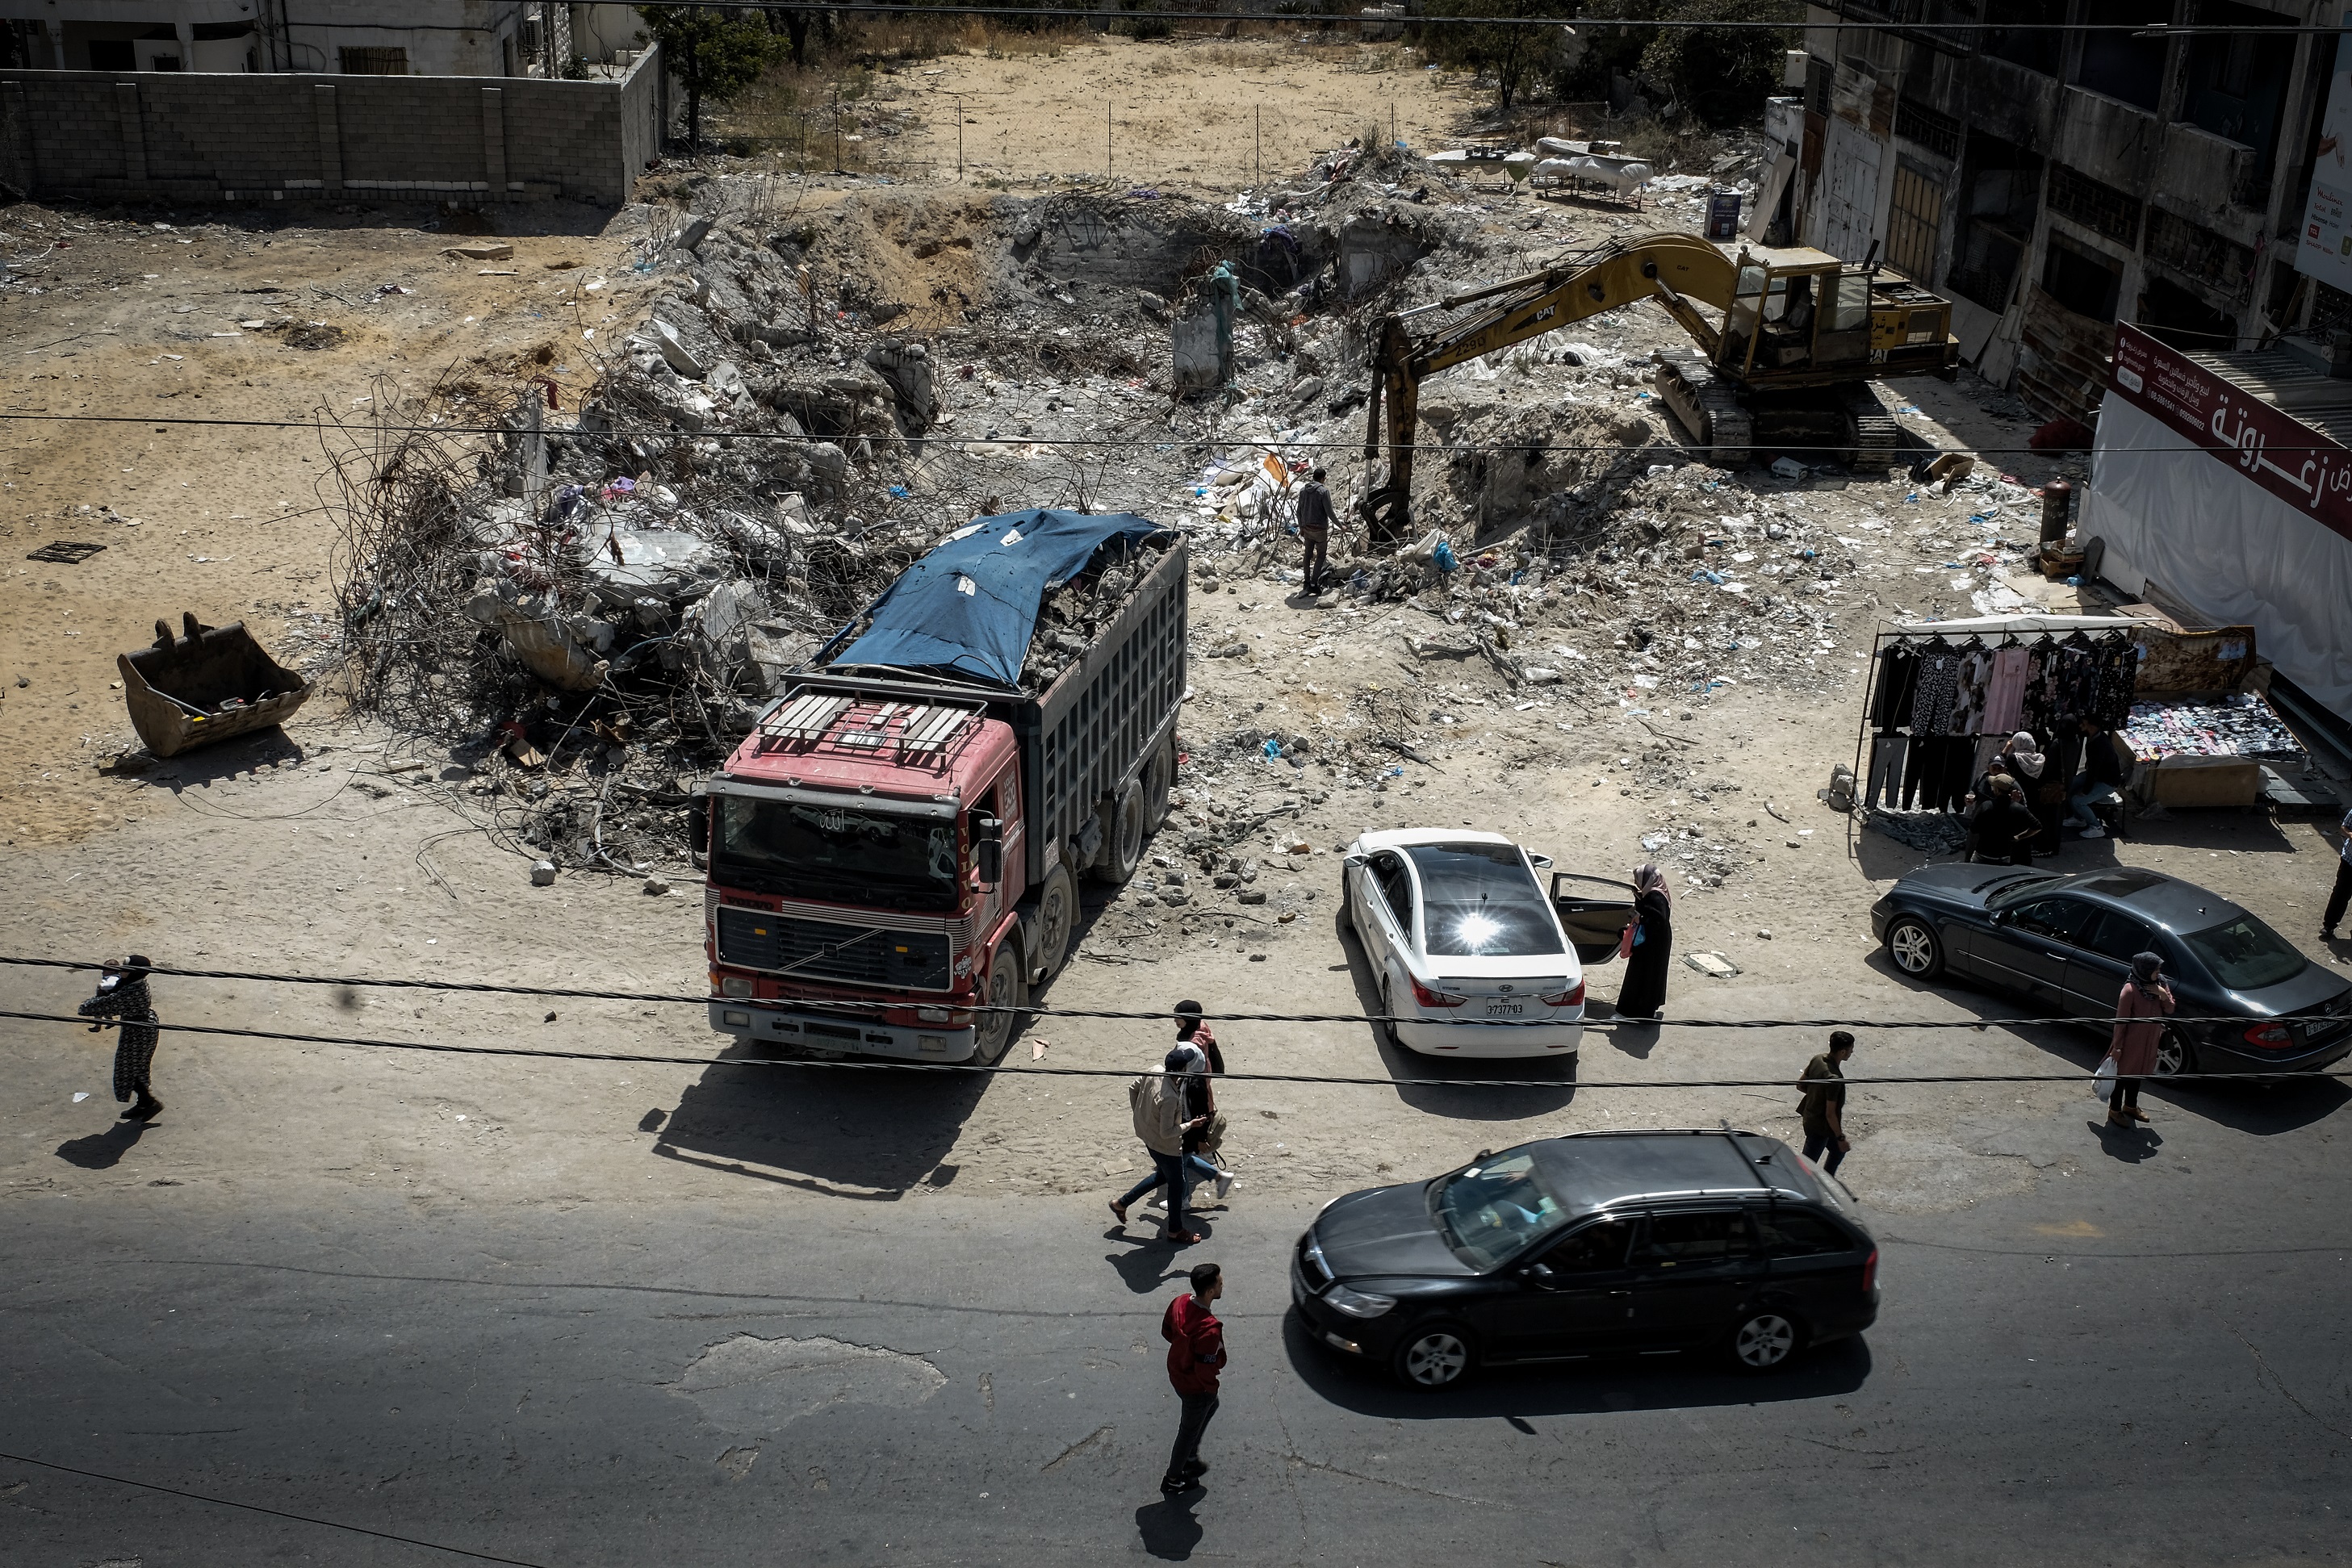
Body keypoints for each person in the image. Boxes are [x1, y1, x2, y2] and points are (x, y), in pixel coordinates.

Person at [1112, 1049, 1209, 1244]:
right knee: (1177, 1185)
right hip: (1165, 1147)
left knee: (1163, 1176)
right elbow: (1168, 1132)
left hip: (1148, 1137)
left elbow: (1133, 1089)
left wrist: (1140, 1114)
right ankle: (1175, 1230)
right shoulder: (1170, 1097)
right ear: (1182, 1070)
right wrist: (1190, 1125)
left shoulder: (1154, 1070)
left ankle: (1122, 1204)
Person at [1159, 1262, 1226, 1495]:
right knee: (1187, 1431)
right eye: (1219, 1283)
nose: (1222, 1285)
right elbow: (1206, 1369)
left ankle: (1190, 1453)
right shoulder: (1209, 1329)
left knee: (1210, 1407)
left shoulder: (1179, 1302)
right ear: (1210, 1291)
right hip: (1195, 1387)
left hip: (1176, 1372)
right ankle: (1174, 1478)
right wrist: (1211, 1388)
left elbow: (1166, 1331)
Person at [79, 955, 161, 1121]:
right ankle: (145, 1102)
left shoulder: (131, 993)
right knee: (136, 1067)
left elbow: (96, 1006)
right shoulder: (136, 982)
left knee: (128, 1068)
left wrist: (94, 998)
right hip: (141, 1028)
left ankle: (149, 1102)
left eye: (125, 967)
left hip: (138, 1033)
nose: (121, 970)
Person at [2105, 951, 2174, 1127]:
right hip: (2130, 1043)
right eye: (2156, 969)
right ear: (2145, 969)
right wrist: (2118, 1047)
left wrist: (2163, 995)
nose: (2158, 973)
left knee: (2138, 1074)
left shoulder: (2160, 984)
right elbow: (2121, 1022)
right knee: (2122, 1077)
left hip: (2150, 1041)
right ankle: (2115, 1110)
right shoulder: (2130, 990)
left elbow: (2171, 1009)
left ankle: (2130, 1106)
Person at [1614, 863, 1674, 1021]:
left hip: (1651, 944)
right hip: (1658, 942)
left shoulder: (1655, 896)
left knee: (1639, 976)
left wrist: (1639, 918)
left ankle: (1627, 1013)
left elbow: (1656, 920)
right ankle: (1647, 1011)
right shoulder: (1659, 891)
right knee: (1652, 977)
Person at [1797, 1031, 1855, 1175]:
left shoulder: (1818, 1059)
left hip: (1810, 1117)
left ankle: (1828, 1182)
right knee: (1807, 1166)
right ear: (1843, 1052)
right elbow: (1830, 1114)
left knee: (1838, 1151)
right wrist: (1840, 1137)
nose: (1852, 1052)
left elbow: (1800, 1085)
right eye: (1850, 1049)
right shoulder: (1834, 1079)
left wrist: (1816, 1096)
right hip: (1820, 1127)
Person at [2067, 717, 2129, 839]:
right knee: (2071, 784)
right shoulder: (2093, 738)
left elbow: (2094, 771)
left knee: (2078, 801)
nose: (2081, 726)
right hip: (2097, 776)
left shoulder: (2100, 743)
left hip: (2108, 782)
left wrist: (2085, 791)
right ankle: (2079, 818)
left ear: (2091, 726)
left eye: (2084, 724)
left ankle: (2096, 827)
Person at [1969, 776, 2040, 866]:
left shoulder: (1986, 806)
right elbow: (2037, 826)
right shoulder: (2018, 808)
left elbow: (1973, 829)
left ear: (1997, 790)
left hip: (1982, 854)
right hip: (2004, 856)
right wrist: (2019, 837)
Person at [1295, 466, 1334, 592]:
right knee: (1321, 555)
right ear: (1323, 479)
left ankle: (1306, 581)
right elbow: (1330, 512)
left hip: (1307, 529)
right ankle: (1313, 584)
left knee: (1307, 555)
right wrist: (1341, 526)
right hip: (1320, 530)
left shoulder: (1303, 491)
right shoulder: (1323, 492)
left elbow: (1299, 511)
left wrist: (1301, 527)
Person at [2323, 805, 2352, 939]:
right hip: (2349, 860)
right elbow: (2344, 827)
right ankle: (2329, 926)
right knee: (2341, 894)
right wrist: (2350, 834)